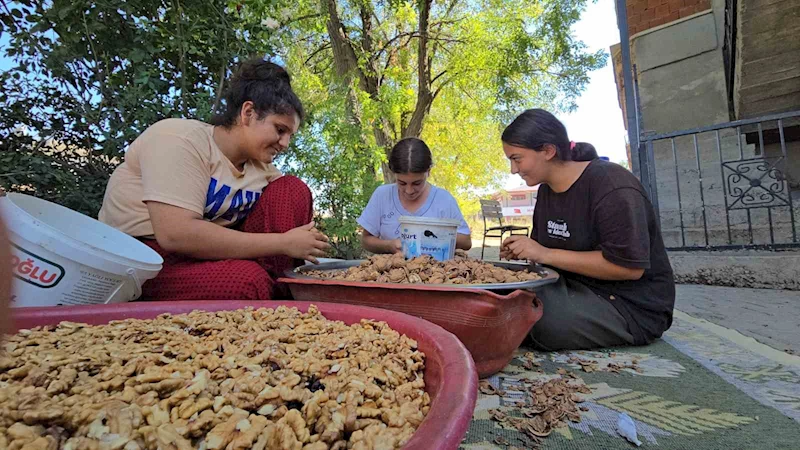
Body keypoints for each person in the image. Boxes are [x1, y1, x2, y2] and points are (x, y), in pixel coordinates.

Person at [99, 57, 330, 300]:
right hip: (145, 261)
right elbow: (175, 234)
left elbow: (288, 213)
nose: (284, 144)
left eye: (290, 136)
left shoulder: (260, 167)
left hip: (215, 258)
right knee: (246, 282)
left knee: (292, 189)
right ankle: (265, 297)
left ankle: (283, 295)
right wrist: (282, 243)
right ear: (248, 113)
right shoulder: (180, 140)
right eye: (280, 130)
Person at [499, 109, 675, 350]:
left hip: (627, 304)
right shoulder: (546, 191)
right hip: (571, 288)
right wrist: (524, 252)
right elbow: (542, 255)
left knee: (542, 323)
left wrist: (544, 253)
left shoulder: (612, 185)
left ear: (548, 151)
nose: (513, 169)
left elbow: (629, 268)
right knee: (493, 294)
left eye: (517, 159)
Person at [357, 138, 472, 254]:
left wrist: (431, 238)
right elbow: (366, 240)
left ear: (429, 172)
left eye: (417, 183)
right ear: (393, 174)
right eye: (401, 183)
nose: (409, 190)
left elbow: (466, 242)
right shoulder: (382, 195)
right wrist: (389, 245)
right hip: (392, 270)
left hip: (434, 269)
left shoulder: (444, 200)